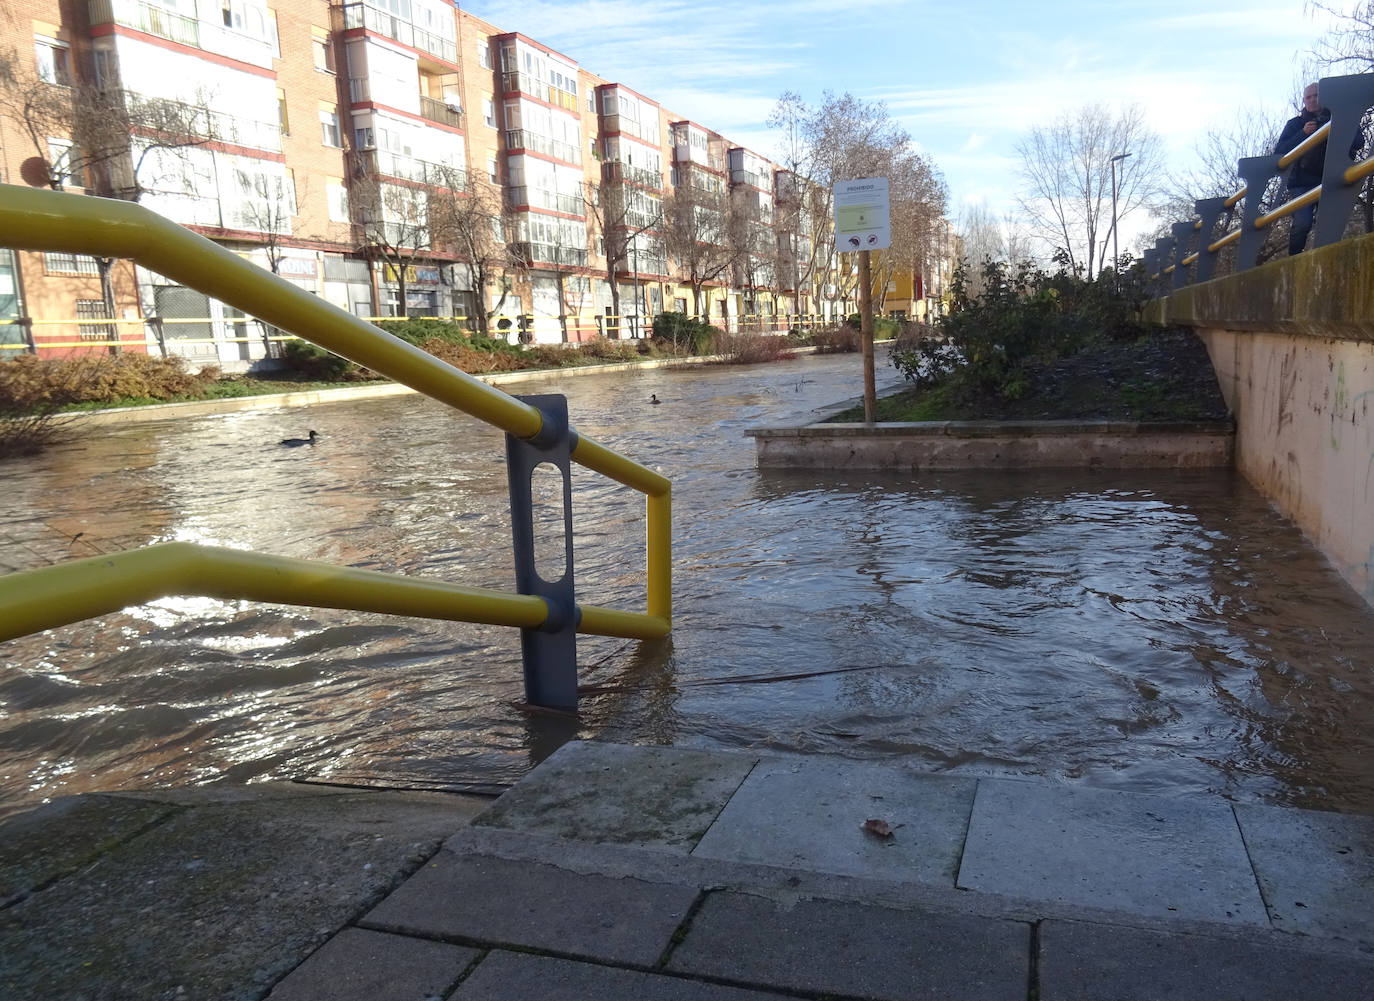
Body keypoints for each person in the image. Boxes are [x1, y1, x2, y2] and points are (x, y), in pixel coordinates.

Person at [1273, 82, 1362, 255]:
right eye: (1308, 97)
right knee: (1303, 223)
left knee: (1328, 223)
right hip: (1301, 182)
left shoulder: (1341, 116)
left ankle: (1326, 258)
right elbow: (1279, 153)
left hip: (1332, 179)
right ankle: (1293, 259)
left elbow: (1359, 142)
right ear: (1304, 101)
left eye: (1316, 95)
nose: (1313, 100)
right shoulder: (1295, 124)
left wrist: (1333, 131)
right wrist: (1303, 135)